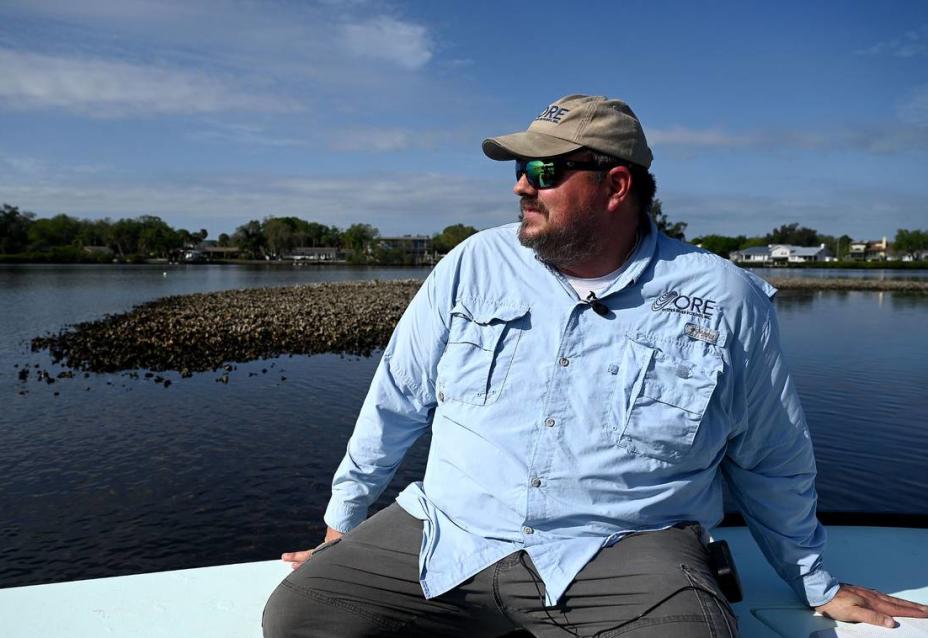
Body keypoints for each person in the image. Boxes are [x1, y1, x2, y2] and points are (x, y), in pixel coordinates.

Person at [263, 94, 928, 637]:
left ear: (615, 185)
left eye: (546, 171)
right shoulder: (473, 262)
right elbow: (396, 400)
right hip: (450, 529)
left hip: (624, 547)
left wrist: (816, 582)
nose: (523, 184)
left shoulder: (723, 297)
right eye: (520, 169)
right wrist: (340, 529)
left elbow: (771, 456)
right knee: (300, 616)